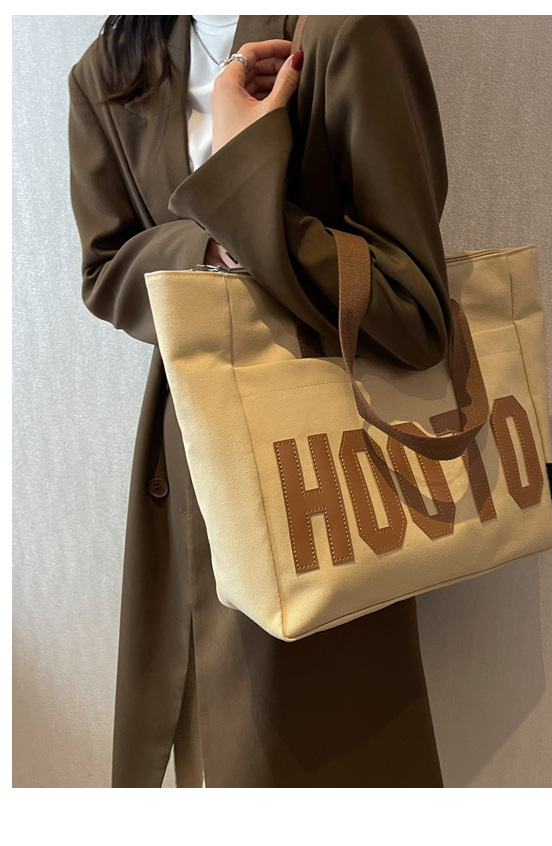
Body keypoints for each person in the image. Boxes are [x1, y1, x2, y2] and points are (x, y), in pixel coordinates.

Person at [68, 14, 451, 788]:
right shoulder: (108, 71)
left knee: (330, 763)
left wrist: (244, 190)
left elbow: (414, 312)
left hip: (325, 478)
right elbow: (106, 269)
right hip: (191, 473)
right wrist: (211, 246)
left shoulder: (347, 31)